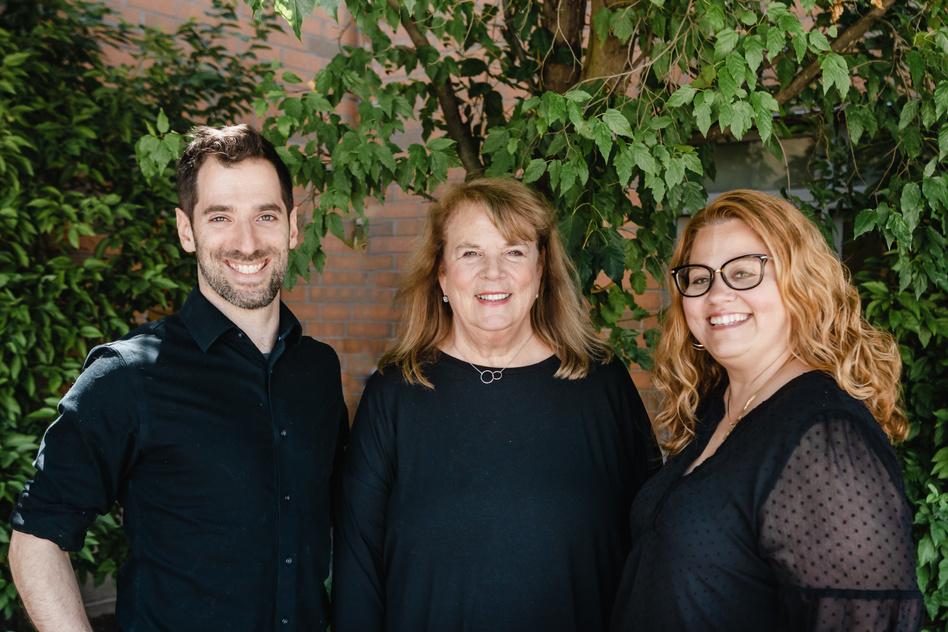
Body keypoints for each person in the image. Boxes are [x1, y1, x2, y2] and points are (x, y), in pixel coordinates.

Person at [9, 124, 348, 631]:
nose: (247, 242)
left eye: (265, 216)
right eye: (220, 217)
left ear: (292, 227)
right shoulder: (128, 374)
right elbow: (36, 538)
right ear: (186, 230)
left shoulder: (317, 370)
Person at [332, 177, 661, 632]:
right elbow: (358, 566)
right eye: (470, 253)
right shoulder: (395, 394)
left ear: (541, 269)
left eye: (514, 252)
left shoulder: (602, 386)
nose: (493, 273)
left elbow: (652, 547)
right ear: (441, 274)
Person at [610, 190, 923, 630]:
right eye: (699, 279)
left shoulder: (823, 435)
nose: (717, 295)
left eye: (743, 273)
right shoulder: (717, 408)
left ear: (800, 283)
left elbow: (865, 619)